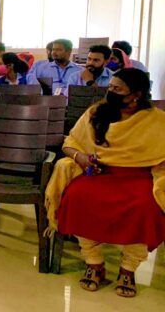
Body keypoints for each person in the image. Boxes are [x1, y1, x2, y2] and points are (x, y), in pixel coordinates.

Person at [45, 69, 165, 298]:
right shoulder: (96, 112)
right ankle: (94, 262)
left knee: (147, 207)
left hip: (139, 177)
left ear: (136, 95)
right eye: (110, 87)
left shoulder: (157, 120)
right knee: (77, 197)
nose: (110, 91)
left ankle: (128, 268)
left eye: (117, 89)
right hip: (99, 173)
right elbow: (70, 143)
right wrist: (79, 157)